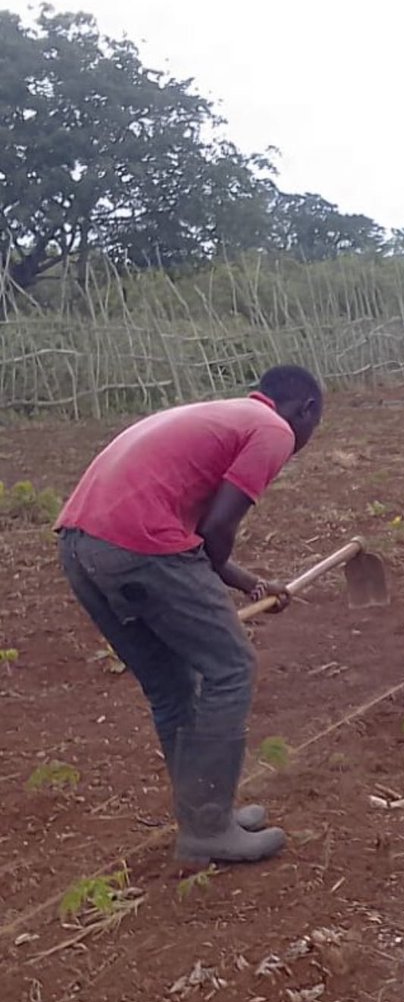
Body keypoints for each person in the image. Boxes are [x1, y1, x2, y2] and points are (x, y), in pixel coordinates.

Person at [56, 365, 324, 867]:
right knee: (232, 666)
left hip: (81, 548)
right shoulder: (273, 430)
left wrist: (250, 583)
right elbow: (218, 529)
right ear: (305, 410)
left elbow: (201, 532)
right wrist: (223, 578)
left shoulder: (221, 414)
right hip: (139, 547)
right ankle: (207, 828)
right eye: (313, 425)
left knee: (173, 686)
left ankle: (206, 816)